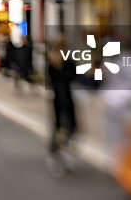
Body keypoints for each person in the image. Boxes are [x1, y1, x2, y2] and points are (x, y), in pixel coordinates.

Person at [46, 38, 77, 177]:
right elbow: (73, 77)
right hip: (66, 99)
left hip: (58, 99)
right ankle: (64, 157)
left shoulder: (53, 62)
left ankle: (57, 156)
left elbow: (51, 81)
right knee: (67, 128)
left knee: (59, 128)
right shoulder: (68, 63)